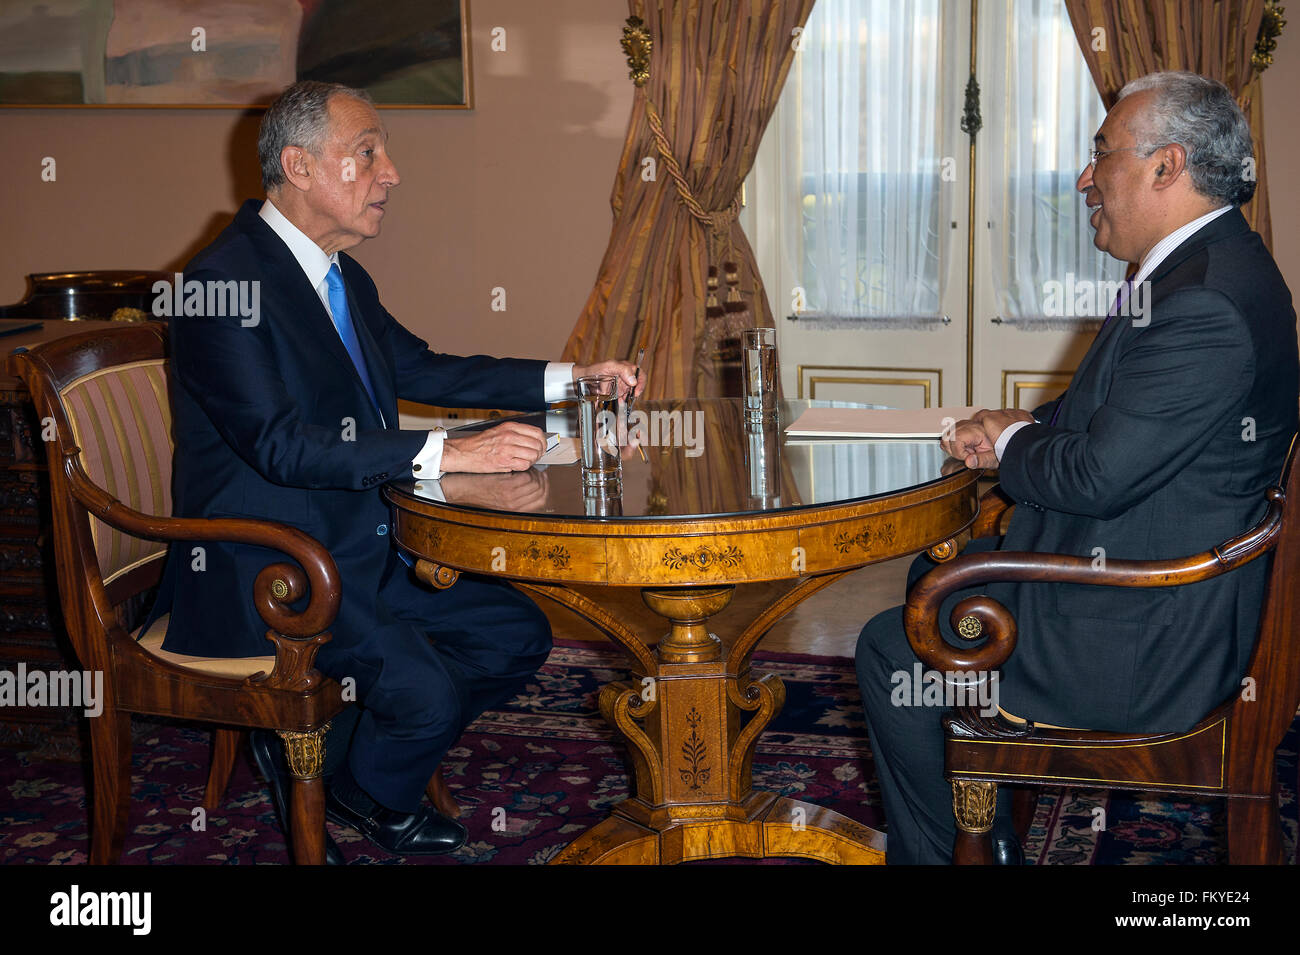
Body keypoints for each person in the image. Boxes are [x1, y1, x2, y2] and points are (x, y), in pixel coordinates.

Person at [148, 80, 642, 859]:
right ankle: (344, 761)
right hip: (269, 566)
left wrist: (571, 379)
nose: (393, 173)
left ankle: (354, 778)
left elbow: (428, 368)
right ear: (299, 166)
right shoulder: (221, 286)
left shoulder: (338, 275)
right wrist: (450, 453)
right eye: (368, 153)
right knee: (425, 690)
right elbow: (281, 446)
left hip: (357, 541)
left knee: (515, 633)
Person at [855, 71, 1299, 865]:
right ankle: (984, 833)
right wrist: (1019, 427)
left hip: (1147, 643)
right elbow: (1107, 416)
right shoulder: (1209, 267)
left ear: (1167, 165)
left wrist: (1019, 442)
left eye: (1102, 153)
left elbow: (1095, 476)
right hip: (1153, 583)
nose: (1085, 177)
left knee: (897, 647)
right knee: (936, 572)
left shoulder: (1204, 304)